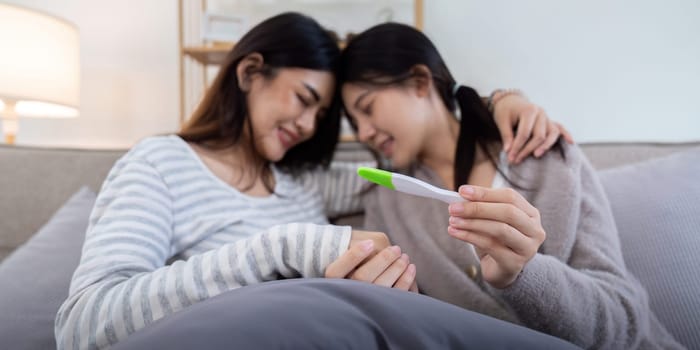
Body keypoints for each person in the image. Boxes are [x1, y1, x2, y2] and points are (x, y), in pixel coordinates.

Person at [55, 13, 568, 350]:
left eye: (320, 114)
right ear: (250, 72)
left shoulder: (301, 182)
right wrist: (282, 248)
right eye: (303, 98)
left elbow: (404, 173)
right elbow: (81, 327)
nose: (307, 125)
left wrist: (500, 102)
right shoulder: (159, 162)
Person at [338, 22, 682, 349]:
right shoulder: (386, 201)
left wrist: (524, 273)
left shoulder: (543, 155)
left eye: (367, 108)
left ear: (419, 82)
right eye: (354, 121)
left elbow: (623, 320)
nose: (364, 132)